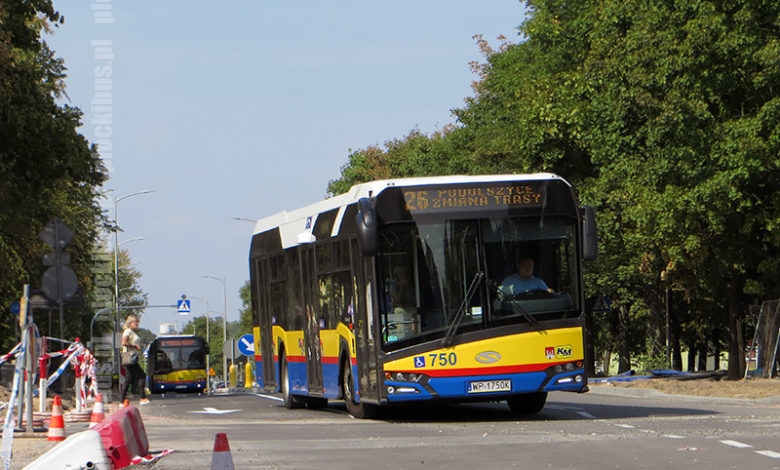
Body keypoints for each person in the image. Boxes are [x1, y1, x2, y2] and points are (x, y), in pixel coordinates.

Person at [120, 315, 150, 405]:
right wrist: (135, 346)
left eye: (138, 322)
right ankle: (142, 398)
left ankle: (122, 400)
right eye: (135, 322)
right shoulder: (128, 331)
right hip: (130, 357)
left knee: (128, 378)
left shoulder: (131, 332)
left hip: (130, 357)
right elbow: (124, 342)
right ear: (130, 323)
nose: (137, 324)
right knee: (142, 375)